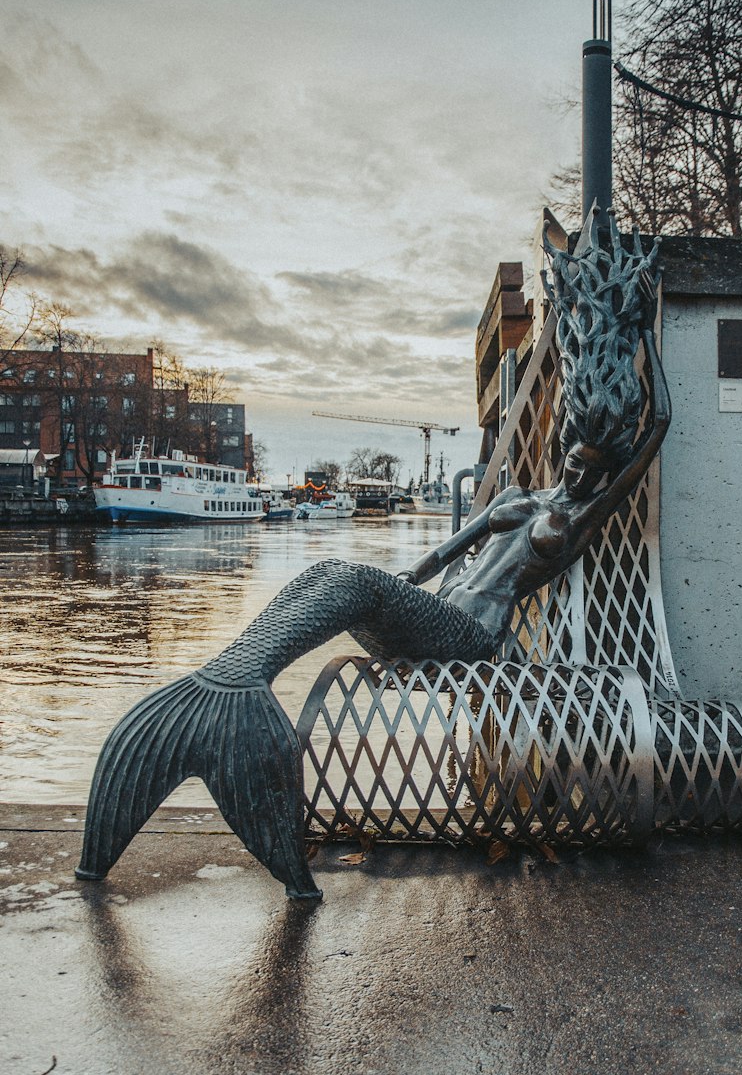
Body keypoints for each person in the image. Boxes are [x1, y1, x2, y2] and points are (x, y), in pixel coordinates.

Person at [77, 231, 669, 901]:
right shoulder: (516, 496)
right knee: (332, 569)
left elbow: (657, 429)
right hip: (435, 617)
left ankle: (235, 693)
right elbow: (438, 556)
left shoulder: (582, 516)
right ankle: (232, 682)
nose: (577, 469)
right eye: (571, 454)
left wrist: (646, 336)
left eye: (591, 466)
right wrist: (398, 585)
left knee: (353, 582)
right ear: (563, 443)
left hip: (470, 640)